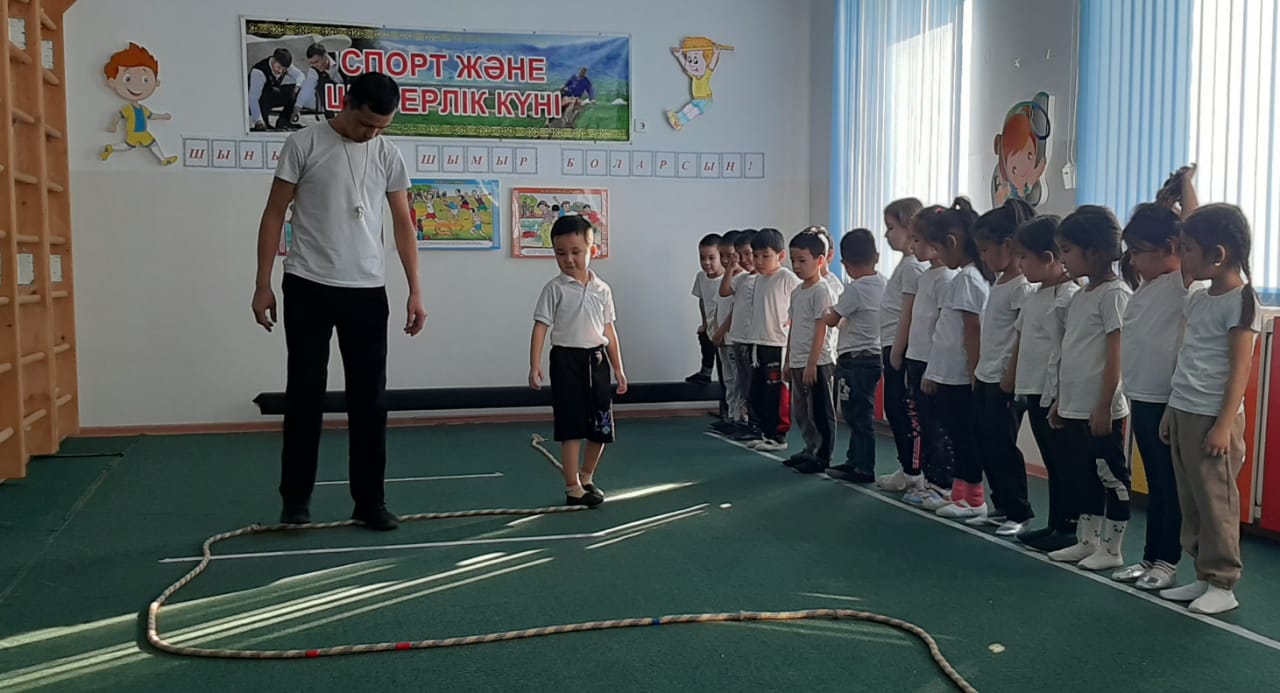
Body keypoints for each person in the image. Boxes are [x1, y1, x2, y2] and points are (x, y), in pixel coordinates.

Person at [251, 72, 426, 531]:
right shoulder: (304, 144)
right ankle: (295, 501)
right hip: (307, 284)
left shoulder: (387, 153)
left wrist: (415, 290)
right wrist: (262, 283)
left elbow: (403, 223)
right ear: (346, 103)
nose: (371, 134)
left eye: (381, 127)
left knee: (369, 400)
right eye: (366, 124)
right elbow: (273, 213)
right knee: (304, 394)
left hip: (367, 290)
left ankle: (370, 501)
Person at [1158, 203, 1261, 615]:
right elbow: (1188, 356)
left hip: (1214, 417)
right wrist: (1171, 409)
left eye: (1188, 249)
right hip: (1185, 408)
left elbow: (1240, 370)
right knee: (1192, 499)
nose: (1183, 258)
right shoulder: (1199, 299)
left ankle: (1223, 581)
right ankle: (1203, 573)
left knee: (1217, 501)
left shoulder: (1241, 301)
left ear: (1218, 255)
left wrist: (1223, 424)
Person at [1111, 200, 1194, 589]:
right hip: (1142, 396)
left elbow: (1194, 228)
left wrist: (1186, 188)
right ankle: (1148, 557)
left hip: (1167, 400)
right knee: (1155, 484)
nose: (1133, 260)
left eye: (1139, 252)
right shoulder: (1146, 286)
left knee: (1169, 484)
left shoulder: (1184, 283)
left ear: (1172, 247)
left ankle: (1167, 561)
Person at [1047, 207, 1133, 569]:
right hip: (1075, 405)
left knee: (1111, 476)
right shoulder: (1081, 295)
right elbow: (1073, 351)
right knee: (1083, 475)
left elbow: (1116, 354)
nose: (1063, 259)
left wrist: (1104, 404)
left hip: (1101, 409)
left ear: (1094, 252)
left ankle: (1112, 549)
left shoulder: (1115, 294)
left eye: (1067, 251)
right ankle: (1087, 541)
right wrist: (1060, 401)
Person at [529, 215, 628, 507]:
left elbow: (609, 330)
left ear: (592, 250)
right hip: (565, 361)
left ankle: (587, 476)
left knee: (601, 424)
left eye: (576, 252)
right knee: (571, 424)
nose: (568, 259)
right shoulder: (555, 288)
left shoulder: (602, 289)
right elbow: (541, 326)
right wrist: (534, 365)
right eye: (561, 253)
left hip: (597, 360)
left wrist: (618, 368)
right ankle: (572, 486)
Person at [1010, 216, 1081, 553]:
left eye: (1024, 257)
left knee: (1065, 462)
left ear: (1049, 258)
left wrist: (1061, 396)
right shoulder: (1035, 295)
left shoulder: (1069, 297)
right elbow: (1022, 339)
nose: (1020, 265)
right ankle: (1055, 523)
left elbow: (1069, 349)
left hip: (1054, 393)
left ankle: (1069, 527)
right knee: (1052, 460)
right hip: (1033, 389)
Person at [920, 199, 990, 520]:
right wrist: (934, 372)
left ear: (952, 242)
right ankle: (960, 493)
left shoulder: (967, 279)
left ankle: (973, 499)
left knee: (964, 438)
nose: (936, 254)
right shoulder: (964, 277)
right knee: (957, 436)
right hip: (950, 374)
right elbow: (945, 334)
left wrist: (974, 373)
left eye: (937, 248)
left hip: (962, 376)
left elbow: (971, 331)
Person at [970, 199, 1037, 535]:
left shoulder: (1022, 287)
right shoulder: (999, 282)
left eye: (985, 250)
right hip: (986, 374)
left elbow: (1023, 336)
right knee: (986, 442)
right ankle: (1001, 505)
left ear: (1007, 246)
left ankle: (1019, 511)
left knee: (1003, 445)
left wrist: (1010, 375)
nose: (983, 258)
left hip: (1005, 379)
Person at [901, 208, 958, 510]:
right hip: (916, 358)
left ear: (936, 243)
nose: (912, 246)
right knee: (921, 423)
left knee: (937, 428)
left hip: (931, 364)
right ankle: (927, 479)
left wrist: (933, 369)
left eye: (917, 240)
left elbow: (943, 329)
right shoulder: (926, 276)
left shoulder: (946, 279)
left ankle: (942, 485)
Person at [822, 229, 886, 483]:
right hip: (875, 357)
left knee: (856, 416)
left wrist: (826, 310)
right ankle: (854, 461)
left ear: (845, 264)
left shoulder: (855, 289)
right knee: (860, 413)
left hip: (854, 361)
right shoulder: (884, 283)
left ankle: (863, 467)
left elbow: (832, 319)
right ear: (876, 256)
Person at [877, 199, 928, 492]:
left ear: (910, 228)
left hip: (902, 349)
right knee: (894, 411)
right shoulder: (905, 265)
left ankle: (915, 472)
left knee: (905, 412)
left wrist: (898, 351)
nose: (886, 235)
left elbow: (909, 313)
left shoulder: (913, 268)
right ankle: (907, 467)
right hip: (892, 346)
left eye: (891, 227)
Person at [783, 231, 838, 474]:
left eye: (802, 260)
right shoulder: (797, 292)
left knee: (819, 411)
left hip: (817, 362)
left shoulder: (821, 290)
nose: (796, 266)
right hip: (797, 360)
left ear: (820, 260)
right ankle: (809, 448)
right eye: (793, 260)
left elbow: (821, 329)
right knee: (801, 411)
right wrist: (788, 360)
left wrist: (812, 363)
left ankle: (823, 455)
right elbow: (794, 327)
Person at [743, 228, 801, 451]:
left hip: (778, 344)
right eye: (755, 255)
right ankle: (765, 432)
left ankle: (778, 436)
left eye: (765, 256)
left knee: (776, 393)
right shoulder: (758, 280)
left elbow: (799, 306)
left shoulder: (787, 278)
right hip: (758, 343)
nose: (759, 261)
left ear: (781, 255)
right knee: (758, 393)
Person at [720, 230, 760, 441]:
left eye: (748, 254)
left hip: (755, 340)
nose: (744, 260)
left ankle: (756, 424)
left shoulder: (765, 279)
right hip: (739, 339)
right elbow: (724, 291)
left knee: (754, 385)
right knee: (742, 384)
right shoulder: (742, 278)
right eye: (740, 255)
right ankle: (746, 421)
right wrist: (730, 267)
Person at [688, 234, 725, 386]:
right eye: (702, 258)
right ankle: (705, 372)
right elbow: (702, 300)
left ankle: (725, 391)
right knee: (704, 340)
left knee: (723, 361)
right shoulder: (701, 277)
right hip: (710, 324)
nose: (706, 262)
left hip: (724, 327)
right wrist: (704, 323)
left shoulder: (727, 279)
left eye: (711, 258)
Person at [249, 48, 303, 131]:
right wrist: (258, 120)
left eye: (284, 69)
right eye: (278, 67)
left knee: (297, 90)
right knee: (264, 94)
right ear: (273, 60)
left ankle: (283, 121)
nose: (280, 71)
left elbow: (300, 75)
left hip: (270, 94)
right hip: (256, 101)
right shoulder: (258, 72)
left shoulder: (284, 65)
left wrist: (297, 88)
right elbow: (253, 98)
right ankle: (263, 122)